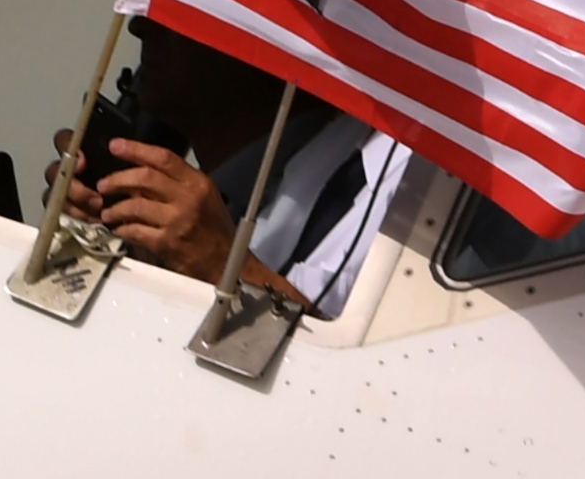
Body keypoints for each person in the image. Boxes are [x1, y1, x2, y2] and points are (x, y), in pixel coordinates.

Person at [44, 17, 408, 317]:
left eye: (181, 4)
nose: (139, 25)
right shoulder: (229, 198)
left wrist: (222, 265)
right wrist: (114, 246)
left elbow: (359, 381)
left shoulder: (398, 200)